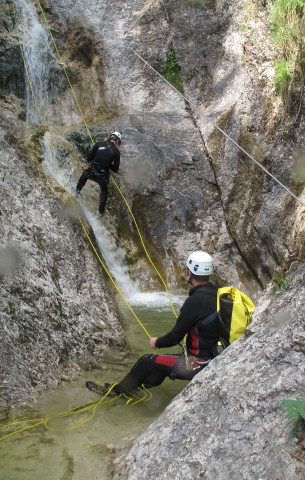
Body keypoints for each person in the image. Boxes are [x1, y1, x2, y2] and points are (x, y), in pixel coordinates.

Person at [86, 251, 220, 396]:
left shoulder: (195, 301)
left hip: (198, 363)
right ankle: (135, 386)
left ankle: (117, 392)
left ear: (190, 271)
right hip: (214, 356)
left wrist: (157, 342)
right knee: (160, 363)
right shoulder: (218, 294)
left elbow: (175, 337)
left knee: (146, 361)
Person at [75, 131, 121, 216]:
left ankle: (76, 192)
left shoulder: (98, 144)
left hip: (91, 171)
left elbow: (89, 158)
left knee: (84, 176)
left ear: (110, 138)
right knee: (104, 189)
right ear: (117, 141)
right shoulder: (116, 151)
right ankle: (100, 211)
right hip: (102, 176)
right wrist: (107, 164)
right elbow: (115, 169)